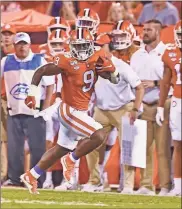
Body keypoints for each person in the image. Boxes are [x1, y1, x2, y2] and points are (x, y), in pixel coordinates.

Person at [20, 28, 120, 194]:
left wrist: (113, 70)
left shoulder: (98, 56)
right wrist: (32, 93)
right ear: (71, 46)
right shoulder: (65, 59)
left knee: (61, 148)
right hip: (69, 110)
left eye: (84, 46)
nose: (81, 51)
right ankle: (71, 159)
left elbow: (114, 79)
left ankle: (32, 175)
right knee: (99, 134)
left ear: (90, 45)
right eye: (77, 46)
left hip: (81, 110)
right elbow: (41, 71)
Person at [1, 32, 54, 187]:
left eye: (25, 44)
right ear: (14, 46)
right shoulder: (6, 61)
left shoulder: (39, 60)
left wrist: (46, 107)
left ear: (29, 45)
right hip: (14, 111)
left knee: (37, 148)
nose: (22, 47)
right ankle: (15, 179)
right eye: (19, 44)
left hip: (34, 112)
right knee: (14, 148)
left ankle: (38, 180)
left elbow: (50, 84)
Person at [130, 19, 172, 195]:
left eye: (148, 30)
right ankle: (146, 185)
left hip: (163, 104)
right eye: (143, 29)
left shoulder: (168, 53)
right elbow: (131, 81)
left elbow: (174, 79)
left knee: (162, 148)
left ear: (158, 32)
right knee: (143, 147)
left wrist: (155, 82)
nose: (144, 32)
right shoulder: (136, 55)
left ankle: (165, 186)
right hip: (143, 105)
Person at [156, 20, 182, 196]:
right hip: (177, 102)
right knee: (178, 144)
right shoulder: (170, 52)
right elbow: (165, 83)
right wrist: (160, 106)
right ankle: (178, 186)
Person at [1, 24, 16, 183]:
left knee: (12, 139)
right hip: (2, 99)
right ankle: (3, 174)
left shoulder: (16, 54)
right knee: (3, 140)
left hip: (10, 100)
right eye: (4, 33)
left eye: (9, 34)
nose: (6, 37)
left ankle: (12, 173)